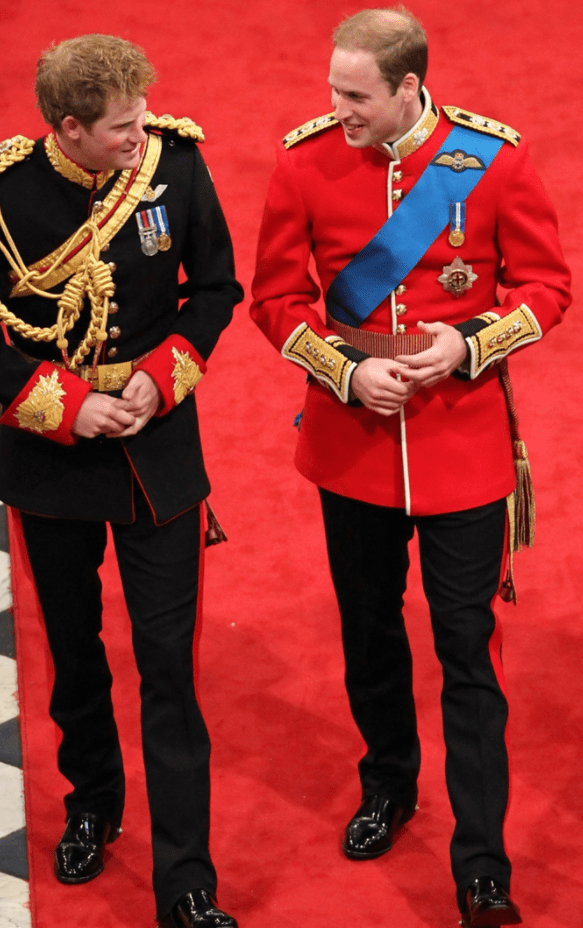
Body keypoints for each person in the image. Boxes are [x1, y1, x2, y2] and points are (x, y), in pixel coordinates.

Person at [251, 7, 570, 926]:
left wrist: (467, 346)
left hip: (461, 445)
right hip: (352, 447)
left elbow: (548, 288)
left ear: (409, 88)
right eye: (333, 92)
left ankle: (482, 866)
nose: (338, 109)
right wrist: (346, 369)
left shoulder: (492, 161)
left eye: (355, 96)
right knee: (369, 632)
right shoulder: (305, 159)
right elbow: (274, 298)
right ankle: (389, 781)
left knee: (467, 652)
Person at [0, 33, 242, 928]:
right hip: (53, 461)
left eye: (143, 117)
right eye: (119, 127)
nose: (139, 137)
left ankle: (188, 884)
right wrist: (62, 405)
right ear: (66, 128)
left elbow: (214, 288)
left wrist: (168, 369)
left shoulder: (173, 165)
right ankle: (92, 805)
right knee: (74, 653)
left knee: (168, 667)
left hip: (157, 455)